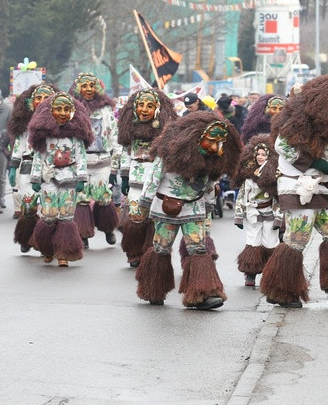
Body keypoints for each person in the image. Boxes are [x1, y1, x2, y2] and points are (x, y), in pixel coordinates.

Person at [259, 75, 328, 308]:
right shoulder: (298, 121)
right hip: (295, 185)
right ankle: (281, 291)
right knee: (296, 240)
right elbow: (281, 146)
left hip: (321, 187)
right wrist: (314, 162)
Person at [133, 111, 242, 309]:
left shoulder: (214, 159)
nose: (217, 147)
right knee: (161, 247)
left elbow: (210, 184)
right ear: (197, 138)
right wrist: (145, 203)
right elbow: (153, 178)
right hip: (167, 207)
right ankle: (154, 289)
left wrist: (209, 205)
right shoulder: (167, 153)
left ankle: (203, 293)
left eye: (220, 142)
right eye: (212, 141)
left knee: (198, 248)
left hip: (195, 207)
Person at [117, 87, 179, 267]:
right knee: (135, 218)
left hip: (158, 182)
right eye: (141, 105)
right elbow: (125, 153)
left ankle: (151, 252)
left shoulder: (167, 133)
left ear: (158, 110)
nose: (144, 109)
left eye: (149, 106)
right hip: (136, 181)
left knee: (154, 219)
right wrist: (124, 176)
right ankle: (134, 252)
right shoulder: (129, 130)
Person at [29, 92, 93, 267]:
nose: (63, 113)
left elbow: (81, 158)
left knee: (66, 217)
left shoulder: (76, 137)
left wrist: (81, 178)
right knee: (48, 215)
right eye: (58, 109)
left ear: (73, 112)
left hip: (69, 179)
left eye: (66, 109)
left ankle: (63, 252)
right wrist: (35, 179)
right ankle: (47, 248)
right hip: (49, 178)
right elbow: (37, 158)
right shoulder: (44, 135)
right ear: (50, 112)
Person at [70, 73, 121, 247]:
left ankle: (108, 228)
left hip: (102, 160)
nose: (89, 90)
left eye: (92, 86)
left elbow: (115, 135)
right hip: (81, 160)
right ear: (79, 88)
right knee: (81, 198)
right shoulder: (72, 110)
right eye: (85, 86)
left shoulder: (106, 110)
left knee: (103, 196)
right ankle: (83, 234)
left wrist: (116, 164)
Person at [6, 83, 58, 253]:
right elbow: (19, 145)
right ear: (31, 102)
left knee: (49, 210)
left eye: (46, 98)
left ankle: (46, 242)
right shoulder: (24, 123)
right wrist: (13, 167)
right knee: (28, 207)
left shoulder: (61, 122)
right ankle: (26, 238)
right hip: (27, 167)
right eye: (39, 98)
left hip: (51, 169)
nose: (42, 101)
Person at [233, 135, 279, 287]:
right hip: (253, 213)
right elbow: (241, 195)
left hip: (270, 214)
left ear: (269, 156)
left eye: (263, 154)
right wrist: (238, 215)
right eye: (258, 154)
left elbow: (278, 199)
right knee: (252, 243)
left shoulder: (273, 175)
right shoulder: (248, 175)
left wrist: (279, 218)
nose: (260, 157)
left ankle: (271, 274)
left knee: (270, 244)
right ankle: (250, 274)